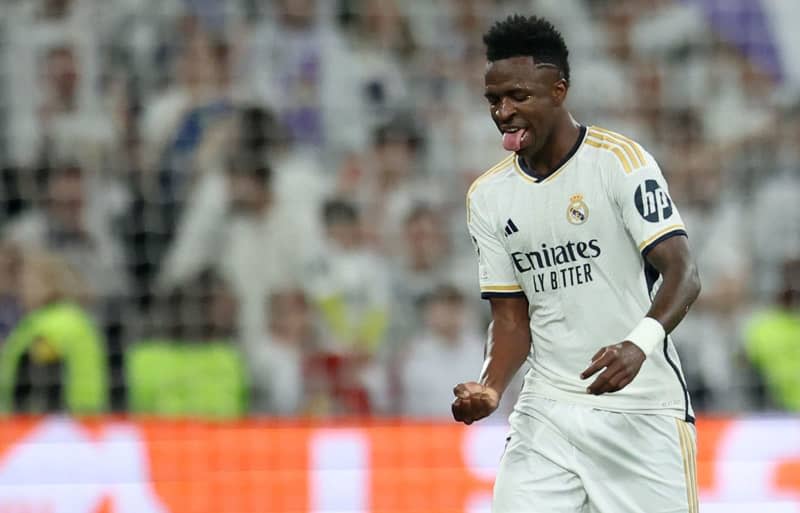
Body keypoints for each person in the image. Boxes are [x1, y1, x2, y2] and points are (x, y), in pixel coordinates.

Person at [450, 15, 702, 513]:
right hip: (547, 414)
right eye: (493, 100)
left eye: (518, 96)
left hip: (641, 413)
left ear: (558, 90)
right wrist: (492, 386)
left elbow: (684, 273)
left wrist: (637, 347)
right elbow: (510, 318)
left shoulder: (621, 163)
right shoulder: (489, 197)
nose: (503, 112)